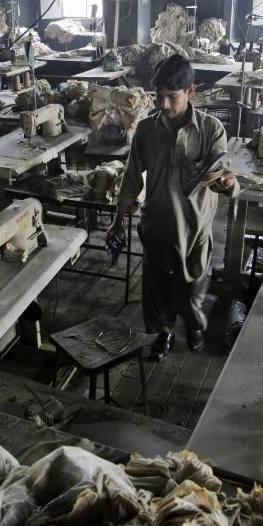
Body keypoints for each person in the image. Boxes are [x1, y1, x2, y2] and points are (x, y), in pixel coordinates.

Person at [107, 55, 238, 362]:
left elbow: (220, 173)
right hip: (158, 225)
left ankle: (194, 326)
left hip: (194, 228)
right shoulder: (146, 130)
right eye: (159, 96)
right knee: (159, 290)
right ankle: (165, 333)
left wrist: (227, 184)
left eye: (172, 97)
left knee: (192, 290)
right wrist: (117, 221)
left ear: (191, 92)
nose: (164, 104)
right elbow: (130, 179)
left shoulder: (210, 129)